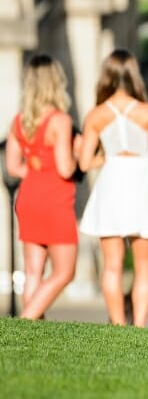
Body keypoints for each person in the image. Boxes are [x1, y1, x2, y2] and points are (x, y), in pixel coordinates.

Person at [78, 49, 148, 327]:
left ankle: (118, 323)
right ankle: (139, 325)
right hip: (140, 180)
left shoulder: (96, 114)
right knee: (144, 265)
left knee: (112, 264)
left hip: (112, 180)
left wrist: (107, 157)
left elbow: (83, 162)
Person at [4, 54, 79, 319]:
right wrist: (79, 153)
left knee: (34, 270)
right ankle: (27, 321)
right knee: (64, 271)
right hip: (55, 198)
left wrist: (36, 169)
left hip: (28, 196)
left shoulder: (20, 120)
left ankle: (33, 329)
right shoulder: (60, 121)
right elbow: (65, 168)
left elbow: (13, 167)